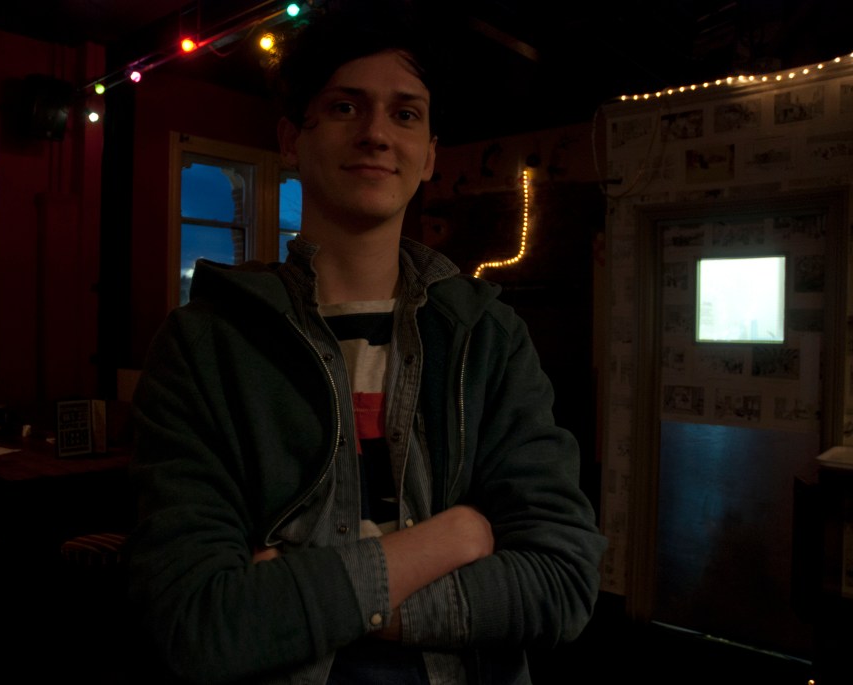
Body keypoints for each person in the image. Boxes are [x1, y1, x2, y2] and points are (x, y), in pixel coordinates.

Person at [127, 3, 607, 683]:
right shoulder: (206, 345)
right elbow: (201, 623)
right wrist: (447, 540)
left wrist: (303, 598)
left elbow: (562, 581)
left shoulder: (487, 340)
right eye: (345, 107)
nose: (377, 134)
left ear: (430, 153)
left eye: (405, 113)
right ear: (292, 139)